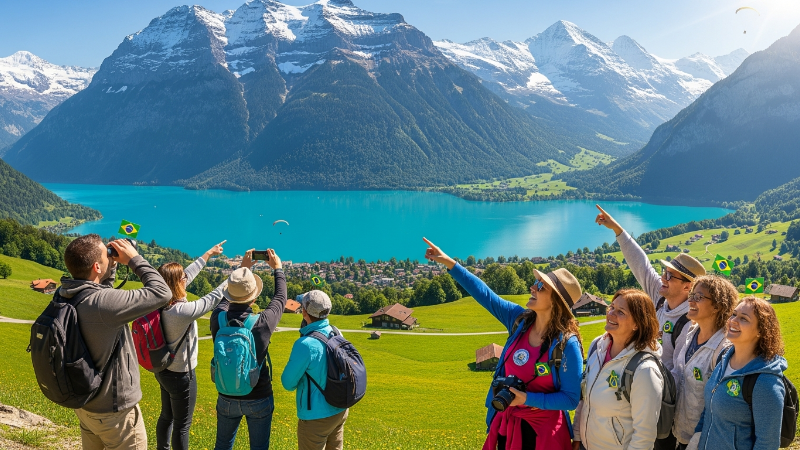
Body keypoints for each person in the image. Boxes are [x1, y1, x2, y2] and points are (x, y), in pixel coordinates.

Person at [423, 238, 583, 450]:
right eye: (536, 283)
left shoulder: (566, 345)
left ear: (556, 302)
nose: (532, 287)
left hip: (544, 435)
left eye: (541, 286)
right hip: (506, 426)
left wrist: (527, 398)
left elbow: (571, 399)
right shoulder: (520, 320)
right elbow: (485, 295)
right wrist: (449, 263)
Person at [595, 204, 705, 450]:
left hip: (656, 399)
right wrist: (617, 230)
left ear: (688, 287)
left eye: (670, 276)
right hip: (631, 385)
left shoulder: (690, 323)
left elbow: (678, 374)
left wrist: (646, 385)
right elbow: (641, 264)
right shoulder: (661, 296)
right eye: (665, 272)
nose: (662, 277)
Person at [60, 234, 172, 449]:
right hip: (114, 414)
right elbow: (161, 292)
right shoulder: (104, 306)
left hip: (85, 404)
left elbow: (102, 293)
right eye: (106, 255)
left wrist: (109, 267)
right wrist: (134, 259)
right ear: (96, 266)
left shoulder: (66, 293)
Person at [153, 240, 229, 450]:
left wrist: (207, 254)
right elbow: (213, 298)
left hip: (162, 369)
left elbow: (186, 274)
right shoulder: (181, 312)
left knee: (167, 416)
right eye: (182, 278)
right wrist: (238, 275)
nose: (186, 278)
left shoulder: (159, 299)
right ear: (177, 283)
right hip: (181, 375)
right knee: (183, 424)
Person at [687, 297, 787, 450]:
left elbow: (767, 444)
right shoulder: (723, 358)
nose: (733, 320)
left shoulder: (765, 382)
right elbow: (709, 408)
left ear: (761, 330)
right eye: (733, 314)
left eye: (743, 319)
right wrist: (697, 439)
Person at [211, 248, 287, 450]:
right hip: (258, 396)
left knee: (223, 445)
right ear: (254, 298)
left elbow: (224, 301)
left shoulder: (217, 318)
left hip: (226, 395)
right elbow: (280, 298)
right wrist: (277, 268)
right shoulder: (262, 323)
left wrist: (242, 269)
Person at [573, 289, 664, 450]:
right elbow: (585, 398)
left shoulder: (645, 370)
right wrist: (578, 436)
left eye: (621, 312)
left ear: (637, 323)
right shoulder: (597, 346)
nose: (611, 314)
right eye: (612, 307)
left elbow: (644, 436)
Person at [671, 275, 737, 449]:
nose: (691, 300)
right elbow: (678, 374)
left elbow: (720, 406)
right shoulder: (689, 332)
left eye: (698, 297)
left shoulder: (725, 349)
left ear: (717, 306)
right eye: (691, 295)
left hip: (704, 440)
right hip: (679, 431)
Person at [281, 290, 349, 450]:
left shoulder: (305, 344)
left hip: (316, 416)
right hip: (340, 409)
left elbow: (287, 383)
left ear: (304, 312)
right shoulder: (336, 332)